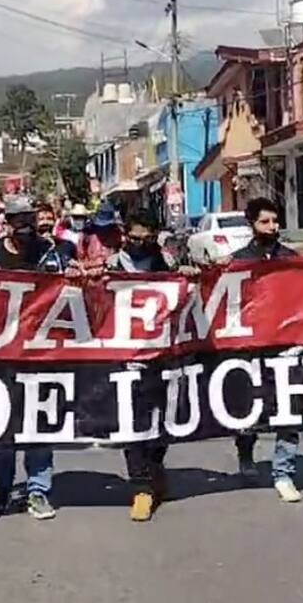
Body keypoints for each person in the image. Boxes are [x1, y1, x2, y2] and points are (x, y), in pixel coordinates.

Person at [0, 197, 71, 519]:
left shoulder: (47, 252)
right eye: (18, 219)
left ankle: (38, 490)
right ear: (7, 222)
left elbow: (61, 290)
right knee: (2, 425)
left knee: (39, 424)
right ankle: (2, 487)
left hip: (41, 353)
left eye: (29, 218)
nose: (25, 226)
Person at [227, 197, 303, 503]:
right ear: (252, 224)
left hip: (285, 348)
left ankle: (283, 472)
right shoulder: (238, 261)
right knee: (247, 408)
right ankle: (246, 456)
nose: (272, 227)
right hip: (249, 349)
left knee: (289, 409)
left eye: (275, 221)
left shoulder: (292, 259)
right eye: (265, 222)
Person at [105, 211, 178, 522]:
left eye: (144, 239)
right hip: (124, 357)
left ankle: (155, 466)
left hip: (162, 355)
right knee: (132, 422)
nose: (138, 244)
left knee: (164, 419)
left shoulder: (167, 263)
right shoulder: (111, 266)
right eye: (133, 238)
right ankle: (141, 488)